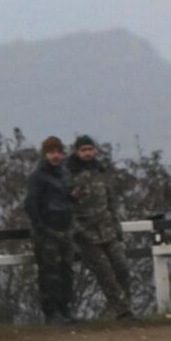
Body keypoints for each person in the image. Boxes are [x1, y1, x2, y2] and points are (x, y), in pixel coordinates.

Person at [68, 135, 135, 320]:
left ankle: (125, 306)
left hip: (108, 230)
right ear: (77, 152)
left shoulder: (101, 171)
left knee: (122, 267)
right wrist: (78, 231)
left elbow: (111, 200)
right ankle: (122, 312)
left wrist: (117, 226)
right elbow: (66, 207)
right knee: (105, 273)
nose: (88, 153)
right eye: (84, 150)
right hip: (87, 235)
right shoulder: (69, 174)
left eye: (90, 149)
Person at [23, 136, 75, 323]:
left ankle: (65, 310)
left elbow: (67, 199)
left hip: (65, 230)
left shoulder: (65, 174)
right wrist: (40, 226)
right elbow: (31, 203)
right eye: (52, 152)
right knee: (49, 273)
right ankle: (52, 313)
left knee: (66, 272)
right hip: (47, 232)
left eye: (58, 152)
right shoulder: (37, 177)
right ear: (45, 154)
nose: (55, 156)